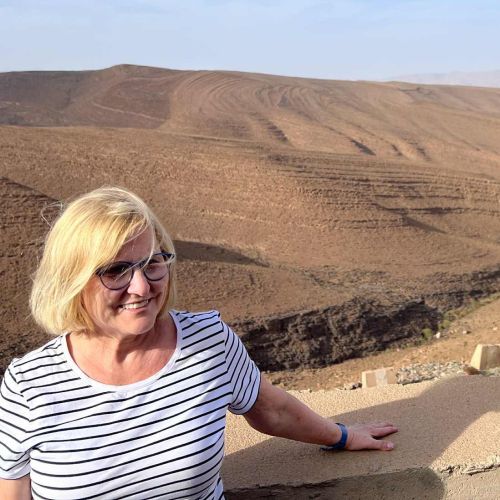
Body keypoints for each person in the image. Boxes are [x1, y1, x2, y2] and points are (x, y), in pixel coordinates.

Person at [0, 186, 397, 499]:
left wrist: (342, 435)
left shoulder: (207, 342)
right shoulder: (28, 385)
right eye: (116, 270)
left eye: (152, 263)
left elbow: (271, 408)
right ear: (71, 279)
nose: (141, 287)